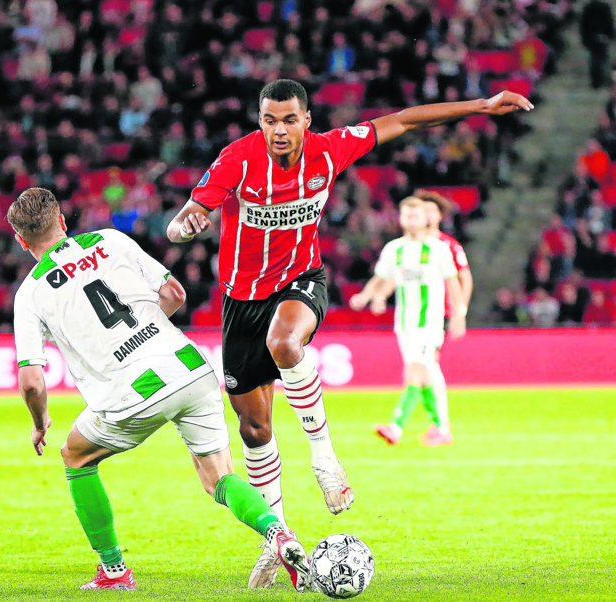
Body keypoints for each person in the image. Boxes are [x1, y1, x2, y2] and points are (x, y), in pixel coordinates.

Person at [165, 78, 532, 583]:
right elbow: (194, 209)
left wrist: (482, 105)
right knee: (255, 429)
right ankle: (279, 539)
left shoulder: (329, 151)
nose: (278, 130)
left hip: (300, 280)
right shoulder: (238, 159)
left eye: (289, 119)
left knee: (285, 342)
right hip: (241, 299)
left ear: (307, 121)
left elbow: (403, 118)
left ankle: (325, 460)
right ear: (260, 121)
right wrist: (185, 223)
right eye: (269, 119)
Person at [8, 188, 314, 592]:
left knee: (76, 457)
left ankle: (115, 572)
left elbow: (31, 379)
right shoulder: (110, 239)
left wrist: (40, 420)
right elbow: (175, 294)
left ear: (20, 239)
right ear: (62, 221)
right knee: (219, 478)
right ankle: (279, 533)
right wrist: (148, 332)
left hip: (133, 387)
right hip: (189, 364)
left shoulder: (30, 293)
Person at [348, 196, 466, 446]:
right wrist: (368, 296)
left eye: (415, 216)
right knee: (424, 375)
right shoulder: (395, 249)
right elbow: (382, 278)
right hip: (404, 324)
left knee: (416, 371)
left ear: (425, 219)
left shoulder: (438, 248)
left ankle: (396, 427)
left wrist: (459, 313)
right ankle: (441, 428)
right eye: (406, 215)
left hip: (429, 322)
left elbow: (454, 282)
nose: (411, 220)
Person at [417, 190, 473, 446]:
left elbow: (465, 278)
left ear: (440, 215)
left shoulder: (448, 245)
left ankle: (442, 426)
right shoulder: (411, 245)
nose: (427, 215)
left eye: (432, 211)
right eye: (423, 210)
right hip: (415, 314)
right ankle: (436, 423)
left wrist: (460, 311)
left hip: (439, 313)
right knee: (421, 368)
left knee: (428, 364)